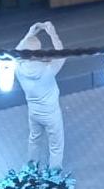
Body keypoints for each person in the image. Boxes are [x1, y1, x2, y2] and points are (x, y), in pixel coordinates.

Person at [15, 21, 67, 168]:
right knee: (56, 146)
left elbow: (15, 53)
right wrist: (52, 33)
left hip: (33, 112)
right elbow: (62, 54)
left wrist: (29, 34)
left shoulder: (19, 69)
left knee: (34, 139)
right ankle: (54, 175)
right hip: (51, 114)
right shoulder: (47, 70)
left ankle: (32, 169)